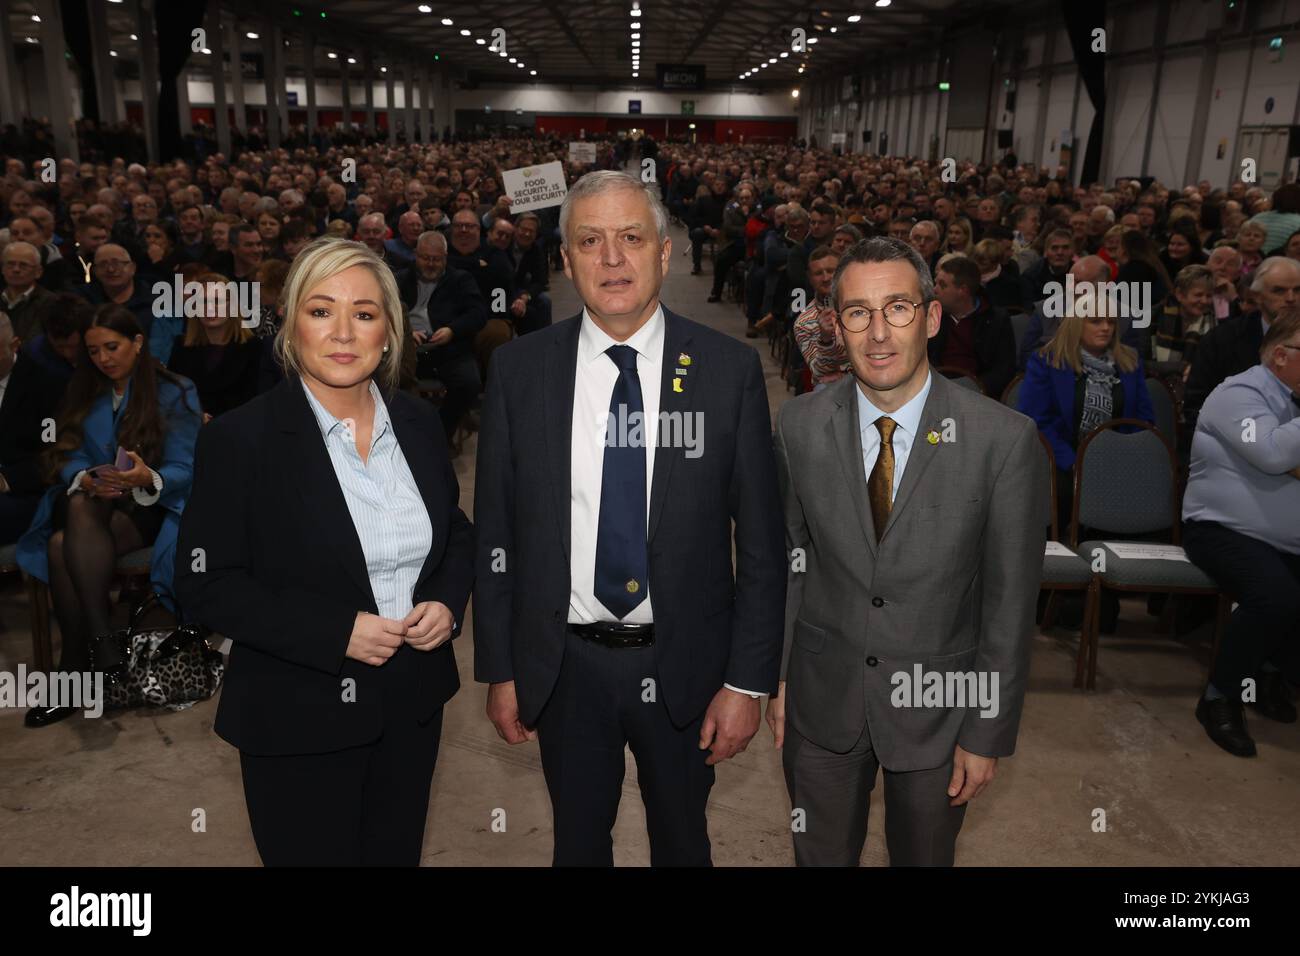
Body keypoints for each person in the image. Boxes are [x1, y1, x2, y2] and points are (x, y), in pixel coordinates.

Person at [473, 169, 785, 866]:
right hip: (564, 670)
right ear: (565, 260)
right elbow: (495, 533)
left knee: (683, 843)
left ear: (665, 253)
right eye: (590, 241)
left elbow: (763, 543)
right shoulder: (521, 371)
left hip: (688, 672)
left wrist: (746, 682)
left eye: (630, 238)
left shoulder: (726, 371)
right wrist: (498, 667)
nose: (611, 259)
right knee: (577, 846)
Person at [173, 236, 475, 866]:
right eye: (320, 310)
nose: (343, 332)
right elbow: (207, 583)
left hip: (412, 706)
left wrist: (446, 600)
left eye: (364, 314)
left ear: (389, 333)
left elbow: (455, 531)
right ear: (289, 326)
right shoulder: (241, 441)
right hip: (297, 715)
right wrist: (337, 630)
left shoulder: (418, 424)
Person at [769, 236, 1046, 866]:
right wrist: (780, 675)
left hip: (940, 711)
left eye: (896, 308)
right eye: (858, 312)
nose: (878, 333)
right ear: (835, 325)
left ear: (931, 316)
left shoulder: (1003, 441)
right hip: (821, 701)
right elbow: (790, 560)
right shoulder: (798, 426)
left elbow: (1008, 607)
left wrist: (987, 729)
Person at [16, 304, 201, 727]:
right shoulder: (83, 390)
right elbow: (61, 453)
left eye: (112, 347)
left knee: (62, 547)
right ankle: (102, 642)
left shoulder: (177, 390)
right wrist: (84, 476)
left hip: (151, 504)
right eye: (94, 351)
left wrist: (144, 476)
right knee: (76, 515)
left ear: (138, 343)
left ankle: (75, 669)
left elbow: (186, 468)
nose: (103, 359)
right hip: (97, 506)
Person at [1183, 306, 1300, 758]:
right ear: (1280, 356)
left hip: (1281, 539)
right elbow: (1272, 455)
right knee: (1276, 596)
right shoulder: (1238, 393)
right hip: (1221, 529)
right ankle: (1220, 696)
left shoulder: (1290, 399)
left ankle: (1270, 672)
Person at [1018, 310, 1155, 531]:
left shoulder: (1130, 362)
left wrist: (1119, 459)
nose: (1105, 328)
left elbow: (1143, 420)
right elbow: (1037, 421)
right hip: (1061, 460)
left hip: (1117, 460)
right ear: (1076, 324)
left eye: (1111, 322)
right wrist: (1076, 464)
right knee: (1060, 490)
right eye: (1096, 321)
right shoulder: (1047, 361)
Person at [1185, 256, 1300, 432]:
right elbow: (1196, 405)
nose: (1291, 298)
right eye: (1279, 291)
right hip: (1236, 444)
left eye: (1298, 290)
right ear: (1257, 297)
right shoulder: (1221, 339)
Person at [395, 231, 487, 442]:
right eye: (425, 258)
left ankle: (440, 434)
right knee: (388, 379)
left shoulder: (461, 279)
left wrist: (452, 330)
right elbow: (385, 313)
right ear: (415, 255)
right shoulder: (399, 279)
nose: (430, 263)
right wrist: (406, 332)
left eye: (436, 259)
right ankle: (406, 436)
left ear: (445, 257)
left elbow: (478, 313)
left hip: (448, 348)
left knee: (469, 383)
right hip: (408, 350)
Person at [0, 312, 66, 543]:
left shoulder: (47, 384)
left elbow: (52, 455)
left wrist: (5, 479)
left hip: (25, 493)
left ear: (14, 345)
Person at [165, 273, 262, 419]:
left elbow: (256, 400)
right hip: (191, 429)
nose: (210, 308)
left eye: (217, 301)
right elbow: (172, 395)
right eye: (203, 302)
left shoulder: (254, 348)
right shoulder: (182, 346)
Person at [928, 254, 1017, 399]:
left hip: (980, 394)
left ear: (962, 290)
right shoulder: (931, 315)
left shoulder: (996, 320)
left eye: (942, 285)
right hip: (937, 391)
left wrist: (974, 389)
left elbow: (1004, 370)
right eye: (935, 282)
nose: (935, 289)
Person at [792, 245, 849, 390]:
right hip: (835, 385)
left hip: (869, 374)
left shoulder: (865, 302)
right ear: (810, 278)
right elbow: (820, 372)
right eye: (818, 273)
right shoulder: (804, 322)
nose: (825, 278)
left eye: (831, 271)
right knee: (823, 388)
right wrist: (825, 340)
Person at [1, 241, 57, 340]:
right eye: (10, 264)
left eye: (23, 265)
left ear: (38, 272)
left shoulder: (51, 303)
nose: (16, 269)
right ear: (2, 269)